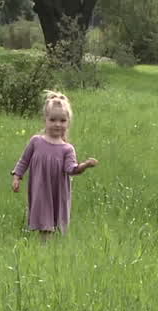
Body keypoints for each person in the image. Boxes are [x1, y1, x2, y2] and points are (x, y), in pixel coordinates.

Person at [11, 90, 98, 238]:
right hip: (40, 189)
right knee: (44, 225)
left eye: (62, 121)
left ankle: (49, 251)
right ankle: (44, 249)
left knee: (54, 224)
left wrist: (85, 165)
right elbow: (24, 160)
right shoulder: (36, 141)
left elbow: (71, 169)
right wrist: (17, 177)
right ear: (45, 120)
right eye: (53, 120)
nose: (57, 124)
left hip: (57, 191)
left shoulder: (67, 149)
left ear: (68, 122)